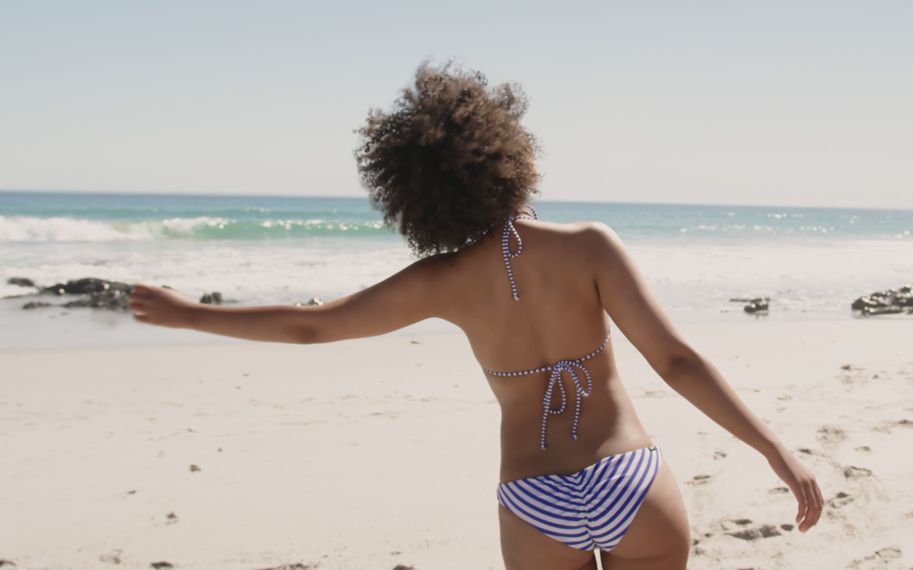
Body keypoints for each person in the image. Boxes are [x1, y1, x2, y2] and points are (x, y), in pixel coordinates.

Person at [127, 60, 822, 570]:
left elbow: (315, 325)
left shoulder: (442, 280)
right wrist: (775, 451)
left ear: (419, 197)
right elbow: (675, 361)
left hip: (533, 497)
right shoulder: (588, 247)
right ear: (510, 159)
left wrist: (190, 315)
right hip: (627, 481)